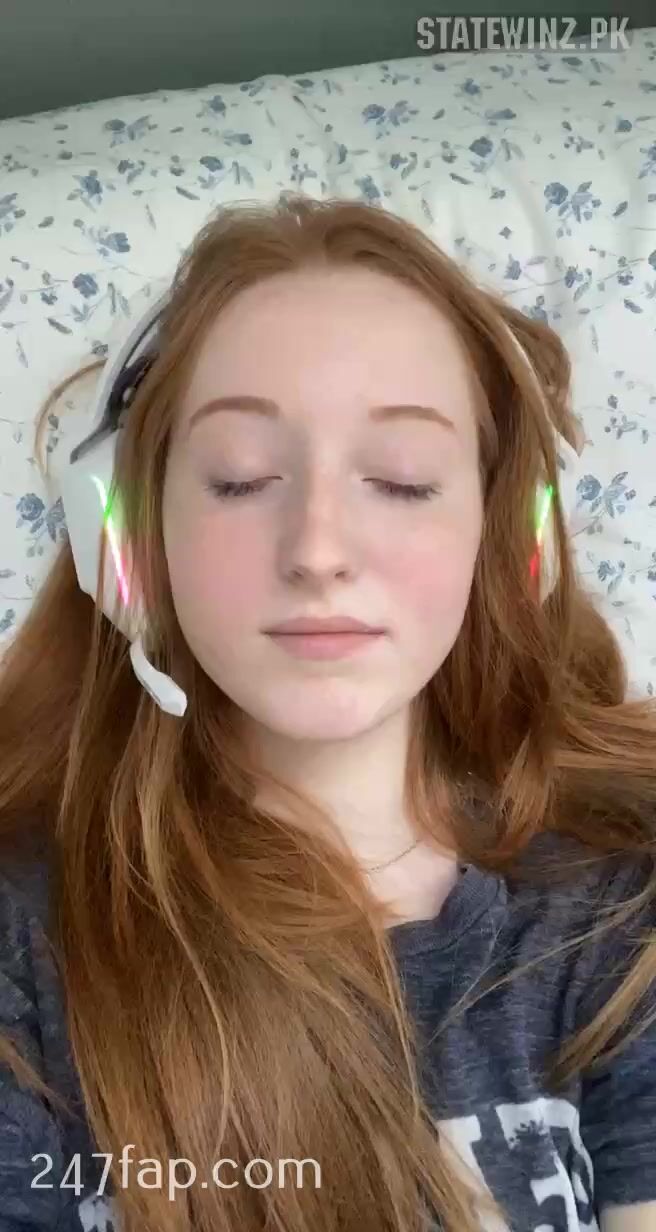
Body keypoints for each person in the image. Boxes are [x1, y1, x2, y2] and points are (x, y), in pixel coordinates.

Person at [0, 193, 655, 1232]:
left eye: (401, 480)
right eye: (239, 478)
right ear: (123, 542)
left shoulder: (617, 910)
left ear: (508, 544)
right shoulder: (25, 955)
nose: (316, 549)